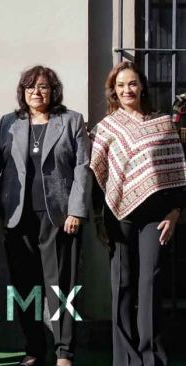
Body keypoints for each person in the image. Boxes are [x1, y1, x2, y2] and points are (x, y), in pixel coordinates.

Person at [0, 66, 90, 366]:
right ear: (22, 92)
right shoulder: (8, 123)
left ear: (53, 90)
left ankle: (64, 351)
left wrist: (76, 210)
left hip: (59, 218)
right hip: (18, 219)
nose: (36, 92)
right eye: (30, 87)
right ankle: (34, 348)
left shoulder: (71, 121)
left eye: (43, 87)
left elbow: (83, 168)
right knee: (25, 287)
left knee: (61, 286)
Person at [90, 61, 186, 366]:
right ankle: (125, 359)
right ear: (114, 92)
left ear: (142, 86)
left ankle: (151, 357)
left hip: (156, 217)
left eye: (131, 83)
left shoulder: (162, 125)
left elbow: (178, 174)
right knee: (123, 284)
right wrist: (97, 218)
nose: (126, 90)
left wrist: (174, 213)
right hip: (119, 216)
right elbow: (96, 173)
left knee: (150, 285)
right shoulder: (106, 127)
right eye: (119, 86)